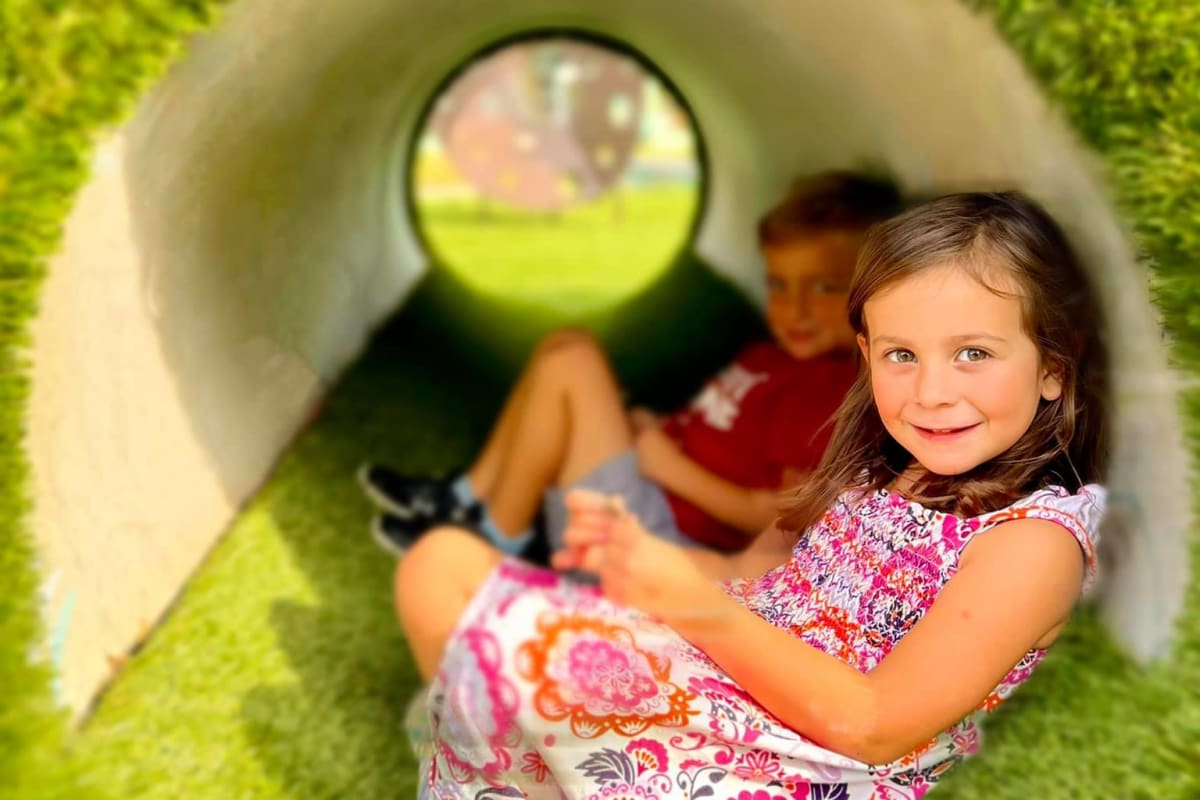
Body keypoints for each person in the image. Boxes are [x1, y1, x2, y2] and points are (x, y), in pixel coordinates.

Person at [392, 191, 1111, 798]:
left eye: (973, 354)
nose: (931, 392)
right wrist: (635, 564)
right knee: (443, 568)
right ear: (866, 357)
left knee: (492, 640)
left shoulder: (1034, 542)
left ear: (1052, 367)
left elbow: (874, 723)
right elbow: (750, 577)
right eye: (901, 354)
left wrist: (687, 602)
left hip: (790, 764)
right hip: (722, 682)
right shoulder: (873, 474)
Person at [359, 172, 901, 559]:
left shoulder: (827, 385)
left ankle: (494, 540)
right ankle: (467, 497)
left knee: (573, 359)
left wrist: (666, 464)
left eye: (825, 288)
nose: (794, 309)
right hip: (647, 488)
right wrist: (655, 435)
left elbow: (780, 518)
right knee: (561, 351)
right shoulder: (774, 356)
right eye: (779, 285)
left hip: (660, 535)